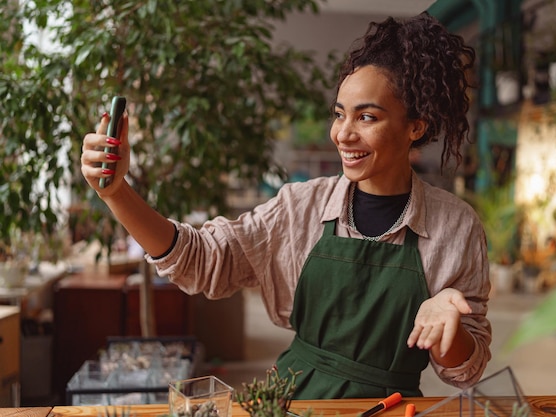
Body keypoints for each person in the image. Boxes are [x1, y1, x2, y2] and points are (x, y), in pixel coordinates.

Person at [81, 11, 491, 399]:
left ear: (415, 126)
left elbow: (465, 371)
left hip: (392, 405)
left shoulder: (455, 226)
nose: (343, 134)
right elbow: (199, 259)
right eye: (339, 114)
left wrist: (448, 330)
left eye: (367, 118)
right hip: (292, 399)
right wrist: (117, 192)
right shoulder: (300, 207)